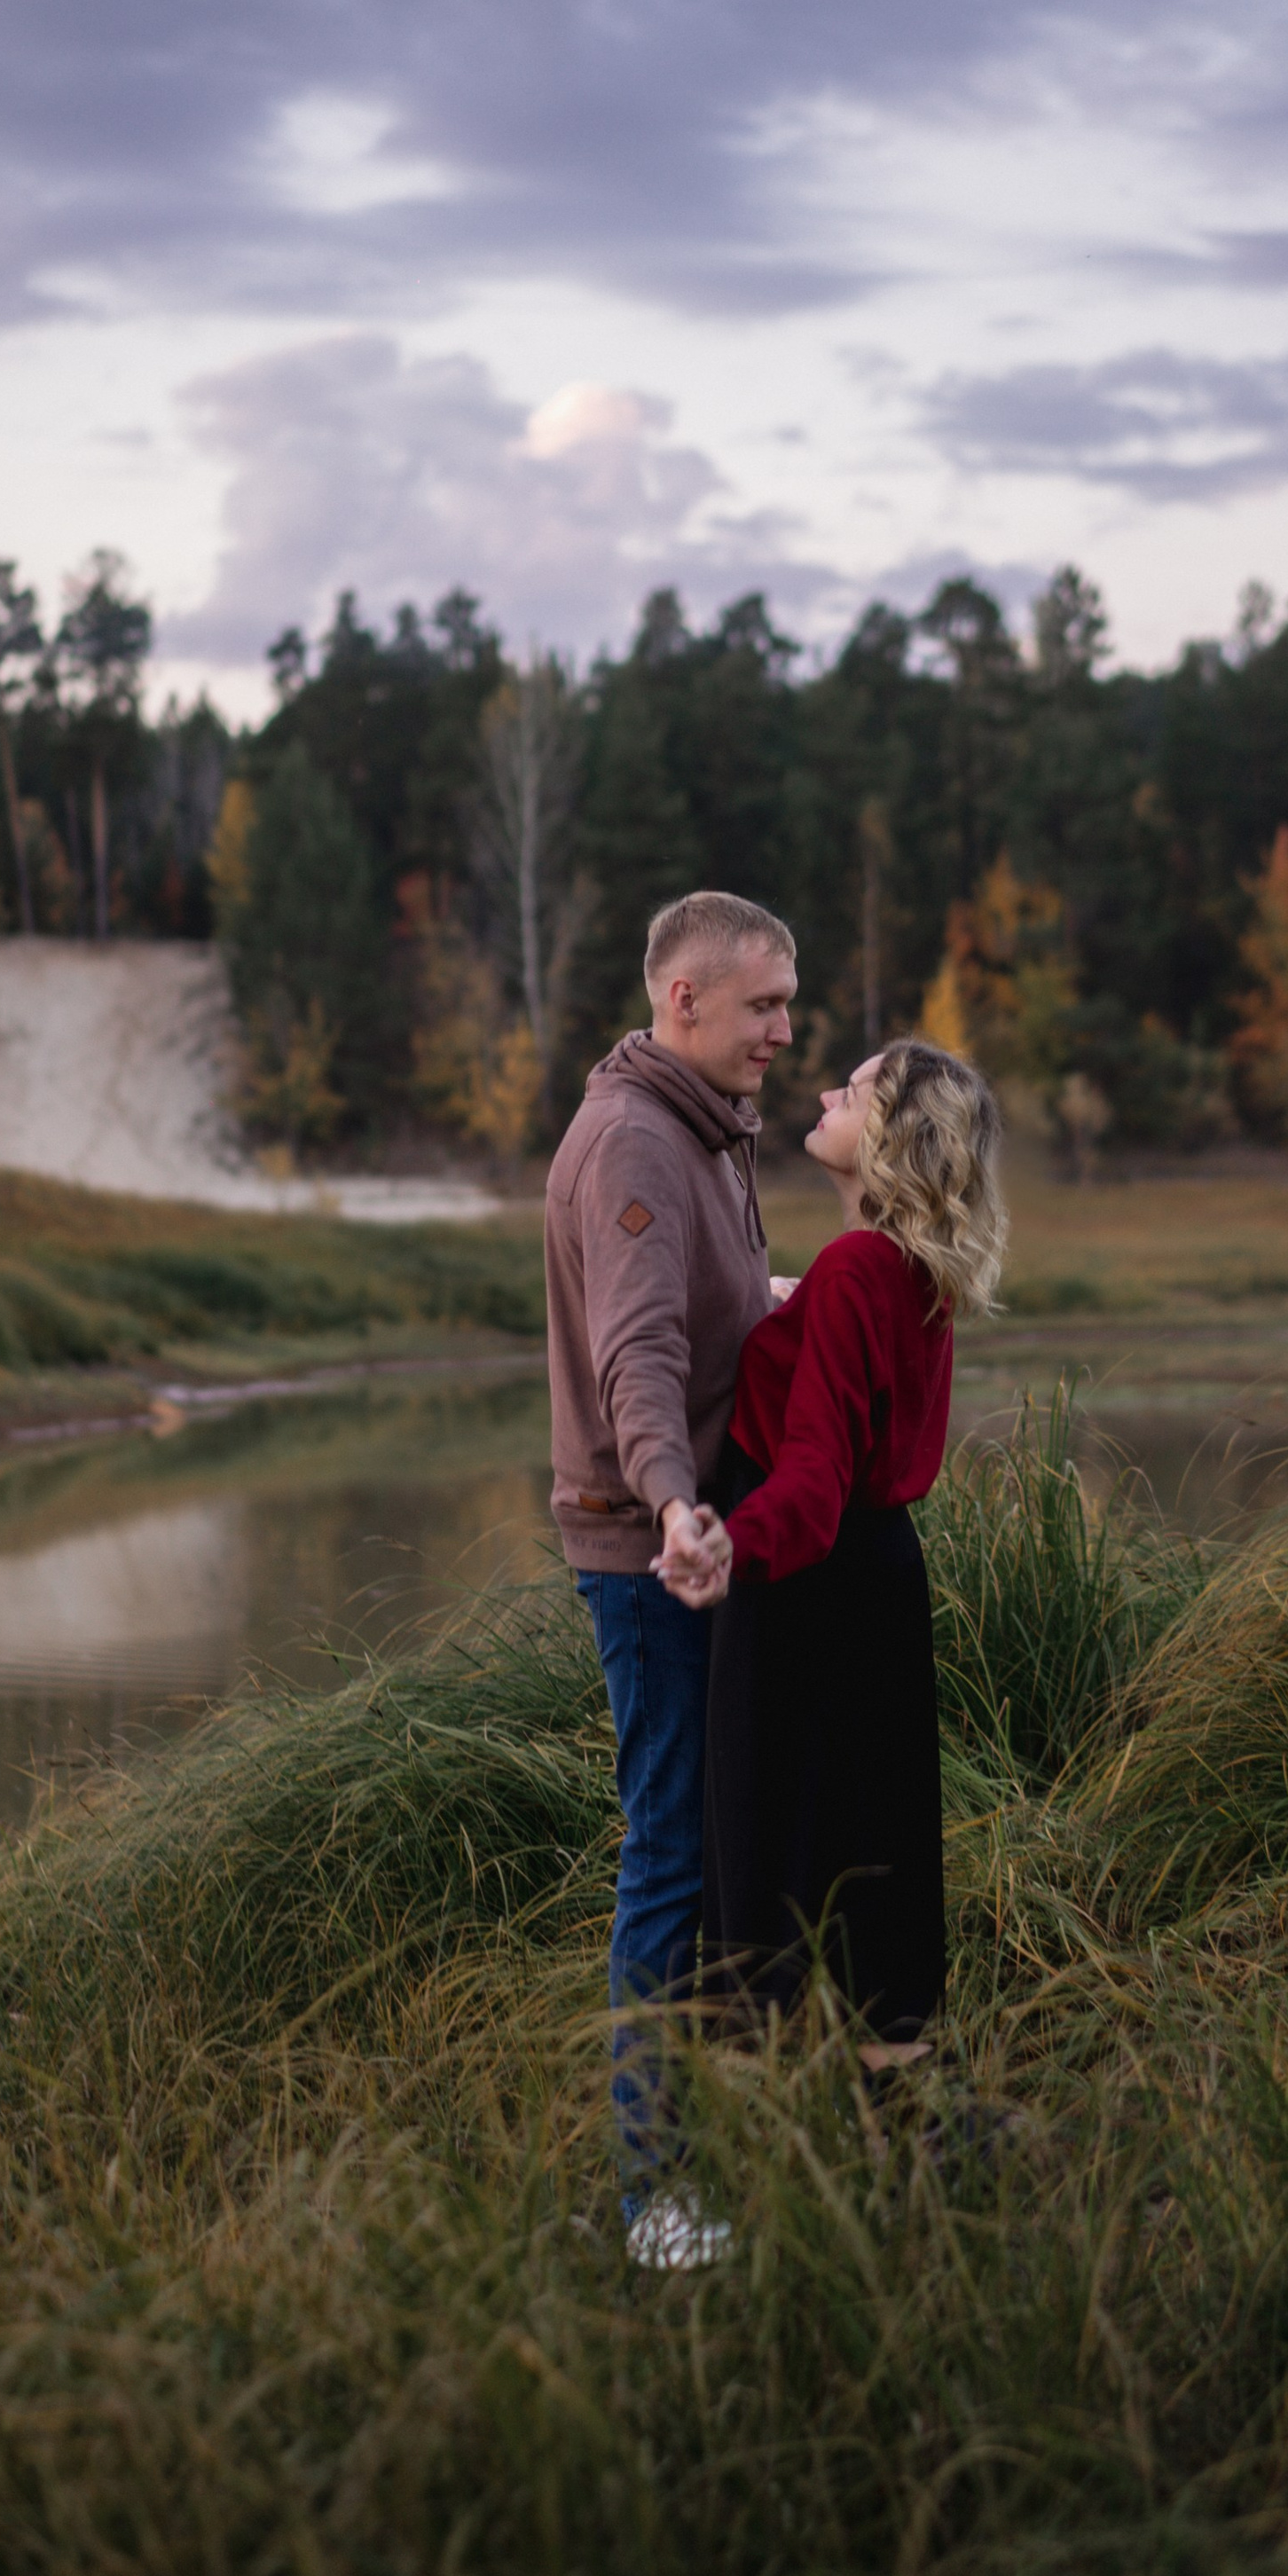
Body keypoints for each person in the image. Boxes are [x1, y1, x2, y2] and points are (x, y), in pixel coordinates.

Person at [657, 1040, 1006, 2072]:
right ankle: (901, 2133)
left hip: (803, 1585)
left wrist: (724, 1543)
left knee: (762, 1858)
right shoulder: (906, 1265)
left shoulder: (858, 1268)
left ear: (890, 1133)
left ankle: (749, 2140)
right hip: (878, 1582)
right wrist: (784, 1307)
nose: (823, 1094)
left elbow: (811, 1481)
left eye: (850, 1091)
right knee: (871, 1852)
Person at [543, 891, 796, 2263]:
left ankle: (706, 2137)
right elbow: (635, 1358)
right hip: (654, 1561)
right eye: (762, 1005)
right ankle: (652, 2198)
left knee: (708, 1851)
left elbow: (702, 1311)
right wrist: (678, 1507)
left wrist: (780, 1305)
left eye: (787, 1002)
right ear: (684, 1002)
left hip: (686, 1542)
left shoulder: (702, 1127)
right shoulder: (641, 1140)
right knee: (670, 1866)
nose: (785, 1030)